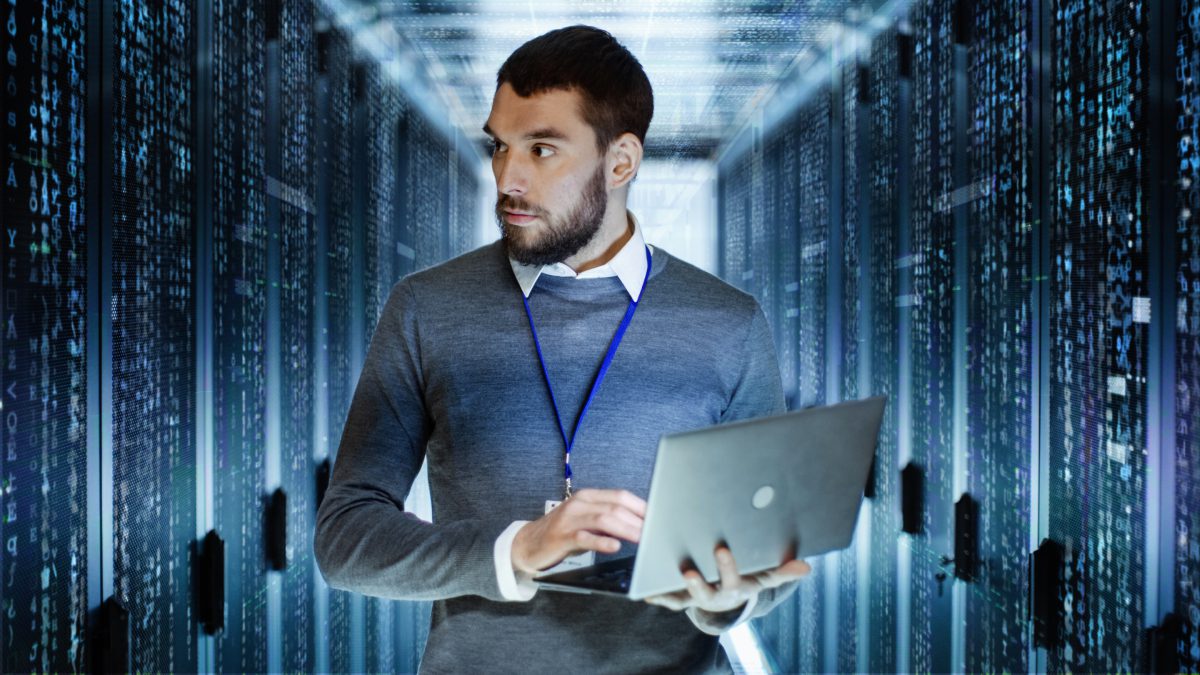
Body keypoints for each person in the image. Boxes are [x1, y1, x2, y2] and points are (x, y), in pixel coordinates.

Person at [314, 24, 811, 674]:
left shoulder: (729, 322)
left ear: (621, 162)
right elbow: (346, 536)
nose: (508, 178)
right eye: (500, 146)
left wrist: (729, 597)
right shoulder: (426, 308)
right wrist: (515, 548)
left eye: (542, 149)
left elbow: (768, 547)